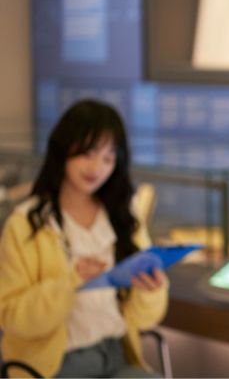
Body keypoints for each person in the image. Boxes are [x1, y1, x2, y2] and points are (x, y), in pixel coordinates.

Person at [0, 100, 169, 377]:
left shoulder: (122, 217)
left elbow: (144, 319)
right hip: (54, 365)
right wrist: (71, 281)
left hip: (117, 355)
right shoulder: (26, 224)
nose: (96, 167)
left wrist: (150, 290)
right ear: (64, 150)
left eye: (108, 158)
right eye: (88, 153)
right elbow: (11, 317)